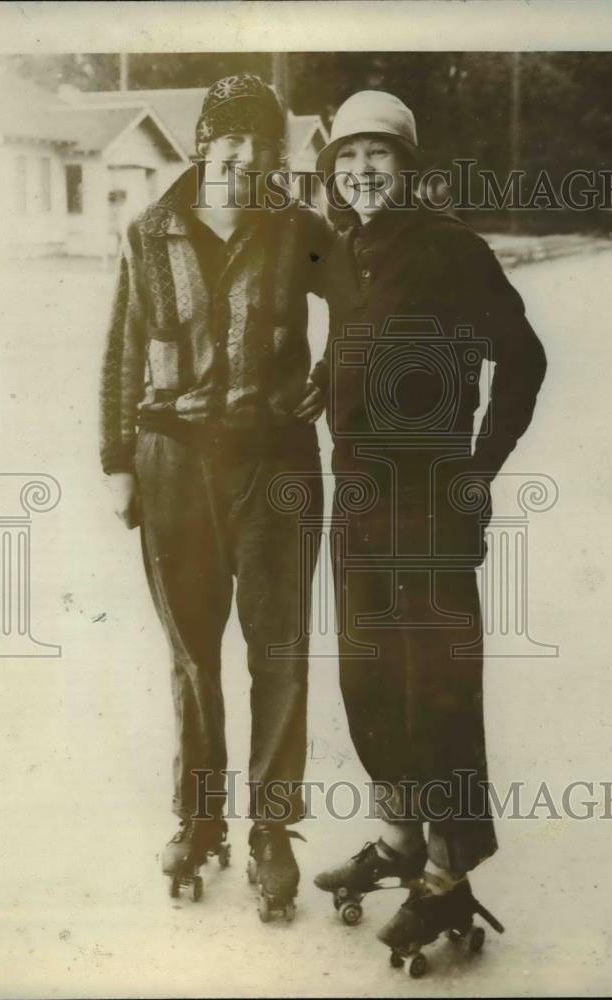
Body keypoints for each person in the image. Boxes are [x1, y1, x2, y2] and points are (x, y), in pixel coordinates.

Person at [310, 91, 547, 960]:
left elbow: (521, 358)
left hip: (429, 505)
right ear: (333, 172)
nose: (362, 172)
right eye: (347, 159)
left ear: (406, 165)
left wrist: (478, 471)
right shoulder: (344, 251)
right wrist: (322, 373)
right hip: (359, 501)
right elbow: (354, 335)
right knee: (371, 683)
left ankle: (447, 876)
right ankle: (399, 843)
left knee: (434, 691)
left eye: (378, 155)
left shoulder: (452, 248)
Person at [98, 74, 330, 919]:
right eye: (229, 143)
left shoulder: (299, 228)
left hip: (276, 463)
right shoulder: (147, 230)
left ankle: (270, 829)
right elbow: (123, 352)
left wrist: (335, 375)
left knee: (278, 650)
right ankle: (201, 821)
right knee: (192, 654)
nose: (244, 159)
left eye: (260, 147)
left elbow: (363, 305)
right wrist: (118, 461)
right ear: (204, 146)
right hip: (173, 462)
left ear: (274, 156)